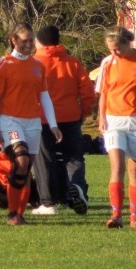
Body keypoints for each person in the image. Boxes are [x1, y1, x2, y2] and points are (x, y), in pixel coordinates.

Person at [0, 23, 62, 226]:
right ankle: (12, 213)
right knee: (20, 160)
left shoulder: (38, 66)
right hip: (9, 120)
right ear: (14, 40)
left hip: (33, 123)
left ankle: (19, 214)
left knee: (26, 168)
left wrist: (53, 124)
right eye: (24, 40)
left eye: (31, 40)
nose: (29, 44)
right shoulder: (3, 64)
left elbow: (44, 96)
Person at [95, 26, 136, 228]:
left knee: (135, 170)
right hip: (113, 120)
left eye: (117, 48)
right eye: (110, 49)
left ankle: (135, 217)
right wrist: (101, 118)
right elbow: (104, 93)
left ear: (127, 43)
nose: (114, 53)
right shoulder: (107, 63)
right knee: (117, 167)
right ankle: (115, 216)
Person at [29, 25, 95, 216]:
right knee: (73, 157)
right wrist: (84, 111)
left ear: (39, 41)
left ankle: (49, 201)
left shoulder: (34, 63)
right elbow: (87, 90)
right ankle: (76, 186)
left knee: (45, 159)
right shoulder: (72, 62)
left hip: (42, 118)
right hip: (70, 116)